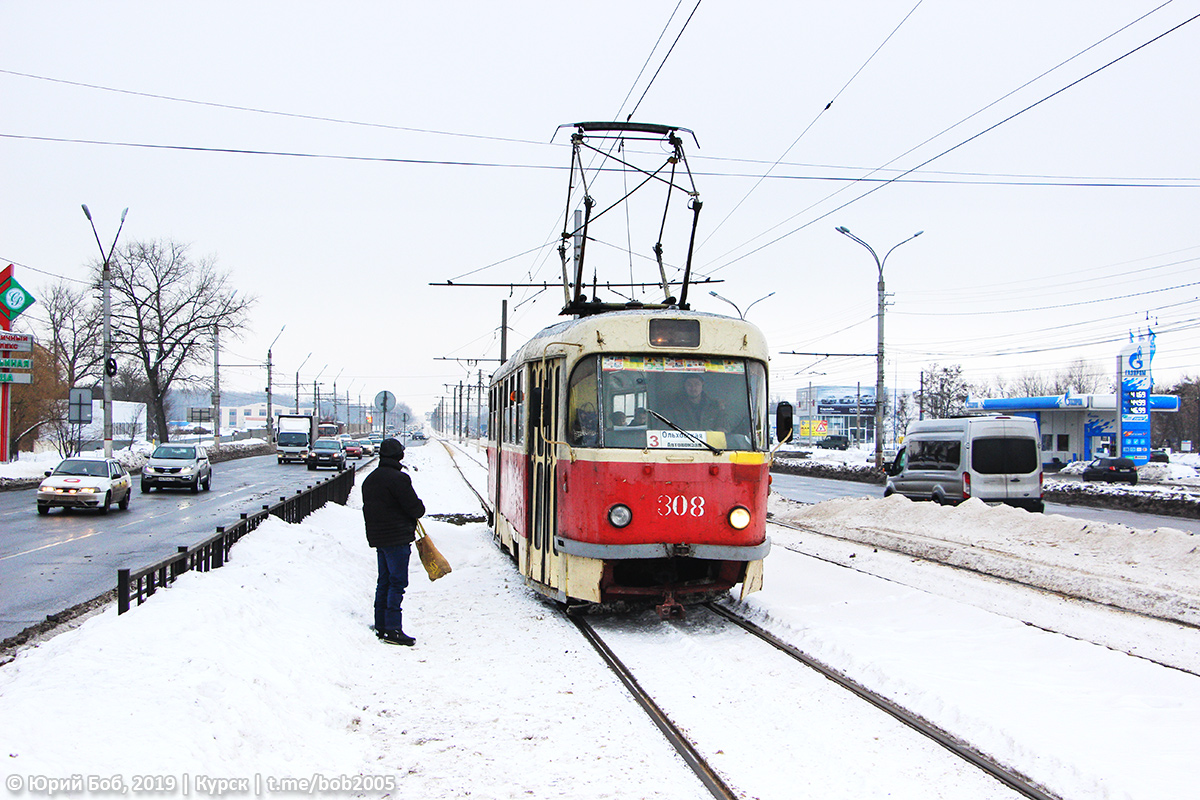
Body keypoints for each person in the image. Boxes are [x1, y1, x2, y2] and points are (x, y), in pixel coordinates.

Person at [362, 438, 425, 646]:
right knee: (397, 583)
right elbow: (415, 509)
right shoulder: (399, 479)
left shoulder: (369, 480)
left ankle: (381, 625)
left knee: (384, 581)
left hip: (380, 539)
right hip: (397, 538)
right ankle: (393, 629)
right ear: (399, 455)